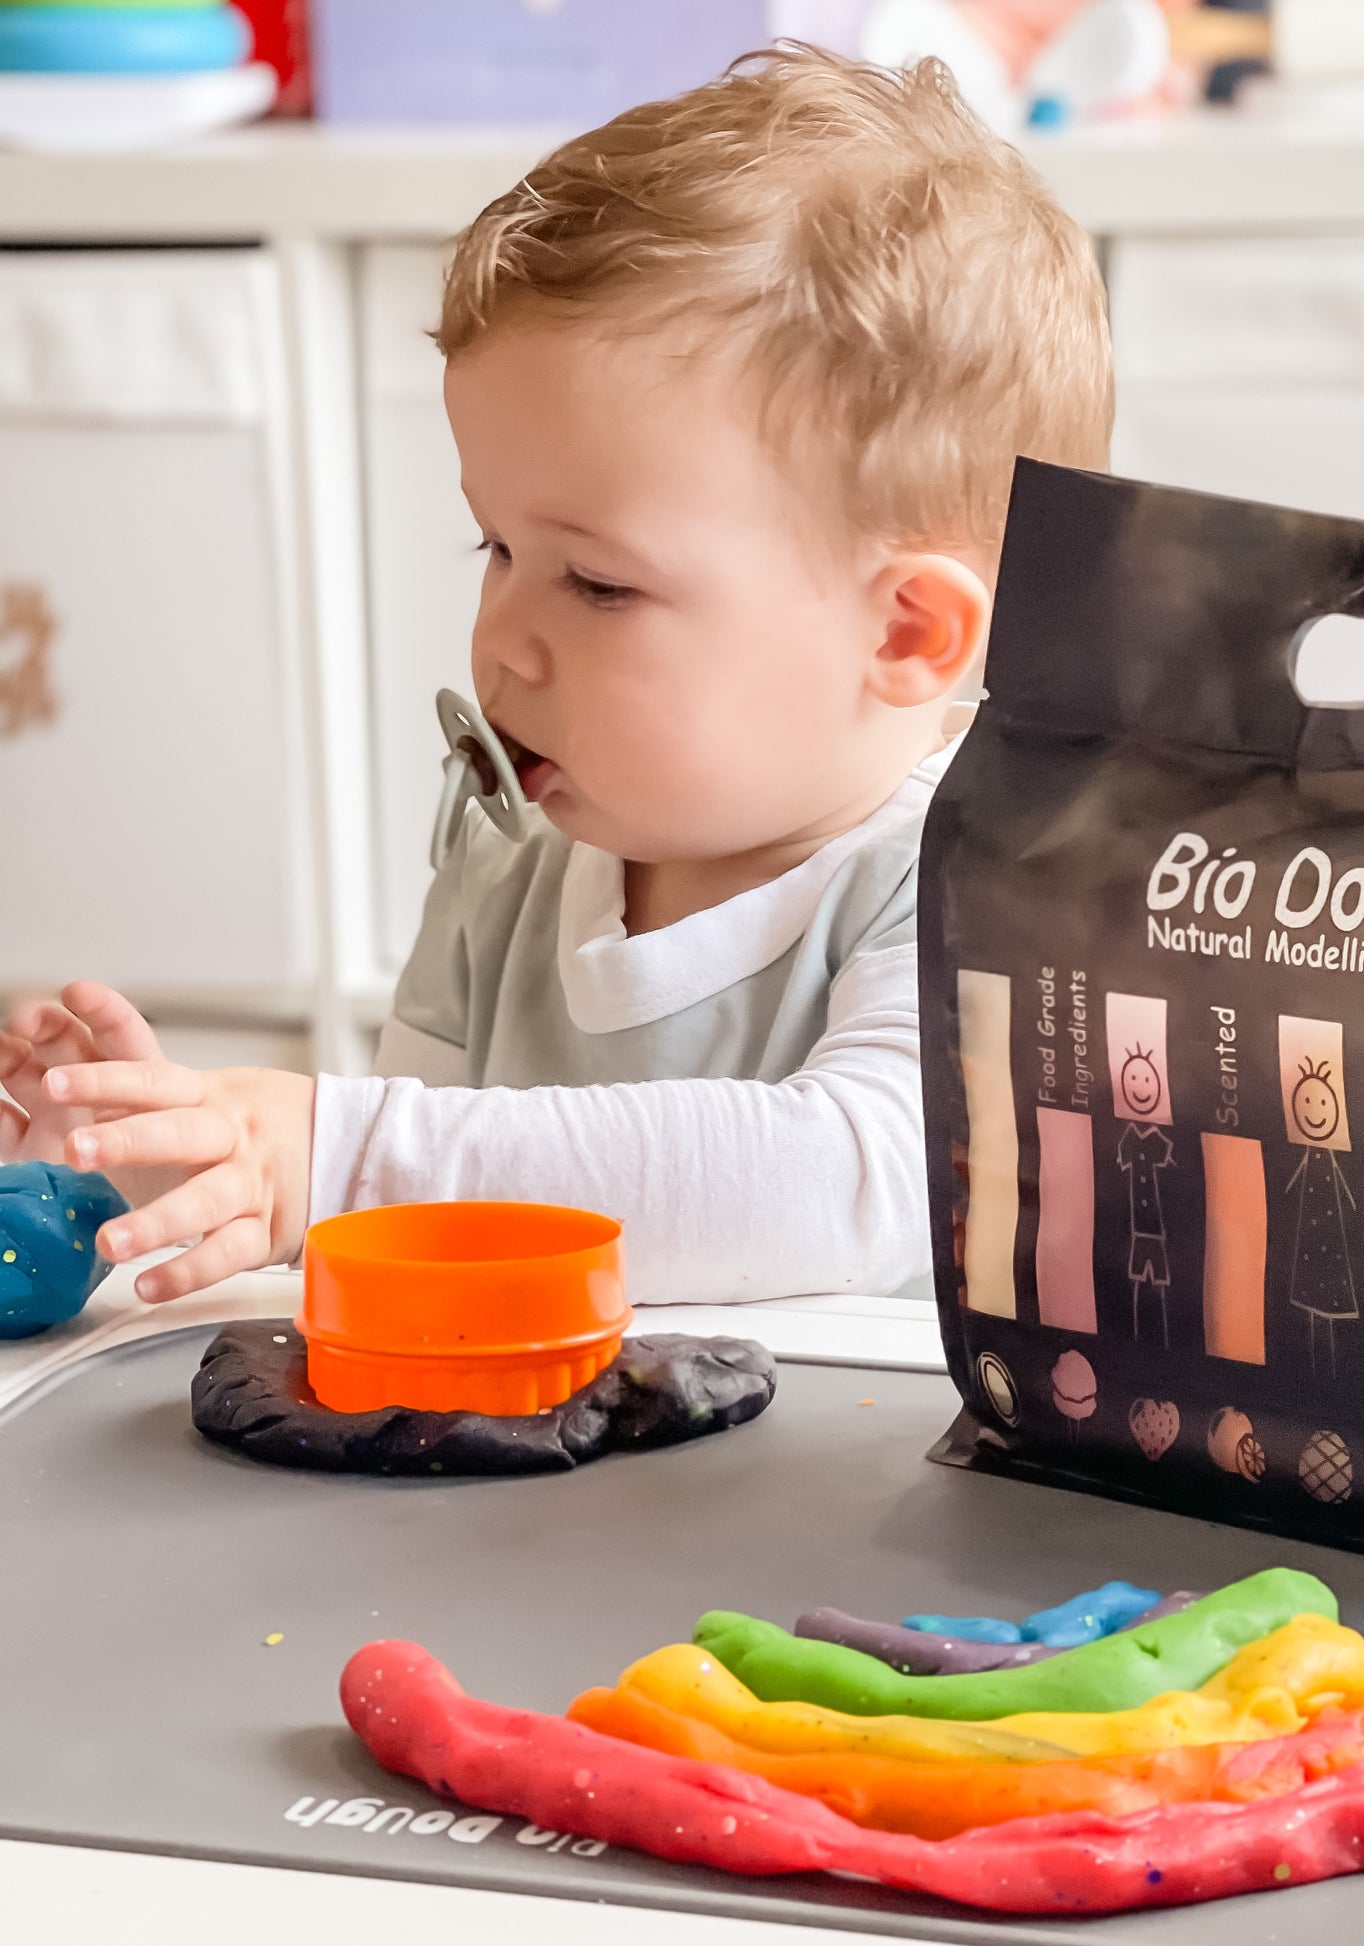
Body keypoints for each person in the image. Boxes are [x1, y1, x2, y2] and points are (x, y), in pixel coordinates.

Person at [0, 47, 1113, 1308]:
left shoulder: (988, 883)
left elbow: (844, 1182)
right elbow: (424, 1219)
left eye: (597, 584)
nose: (502, 642)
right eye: (497, 547)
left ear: (907, 632)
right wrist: (179, 1170)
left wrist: (334, 1155)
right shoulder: (508, 872)